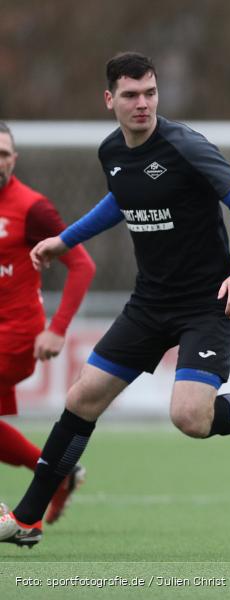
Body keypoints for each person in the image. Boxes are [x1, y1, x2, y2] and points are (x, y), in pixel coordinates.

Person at [0, 52, 230, 548]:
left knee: (190, 418)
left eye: (149, 93)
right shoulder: (112, 152)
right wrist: (66, 239)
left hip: (208, 301)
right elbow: (119, 201)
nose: (142, 103)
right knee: (82, 398)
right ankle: (27, 518)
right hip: (150, 301)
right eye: (130, 95)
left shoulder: (185, 145)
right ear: (110, 100)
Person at [0, 121, 96, 525]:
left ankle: (24, 519)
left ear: (14, 159)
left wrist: (56, 328)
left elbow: (82, 265)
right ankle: (57, 473)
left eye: (3, 154)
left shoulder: (31, 207)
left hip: (19, 335)